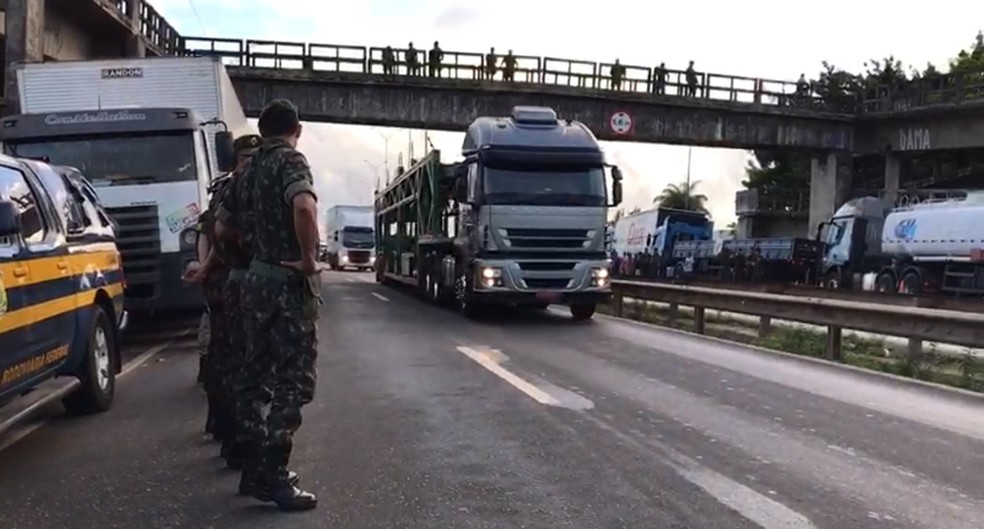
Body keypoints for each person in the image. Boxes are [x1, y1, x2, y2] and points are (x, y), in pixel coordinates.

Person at [234, 99, 320, 511]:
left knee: (254, 375)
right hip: (286, 284)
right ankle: (273, 473)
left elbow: (221, 225)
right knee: (293, 380)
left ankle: (252, 468)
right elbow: (303, 206)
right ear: (296, 129)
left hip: (254, 281)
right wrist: (307, 259)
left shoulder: (247, 171)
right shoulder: (291, 161)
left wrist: (249, 258)